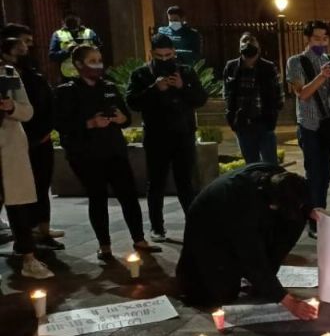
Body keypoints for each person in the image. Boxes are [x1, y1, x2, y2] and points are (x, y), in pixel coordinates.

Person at [54, 45, 160, 261]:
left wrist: (121, 119)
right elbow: (61, 123)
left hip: (114, 151)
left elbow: (126, 117)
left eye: (99, 60)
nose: (98, 65)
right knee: (98, 198)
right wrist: (90, 123)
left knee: (128, 196)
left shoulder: (108, 87)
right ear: (79, 65)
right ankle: (105, 245)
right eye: (92, 61)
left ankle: (139, 239)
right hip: (86, 155)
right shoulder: (67, 91)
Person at [176, 163, 319, 321]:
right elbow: (253, 257)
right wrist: (289, 302)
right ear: (273, 205)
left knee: (296, 220)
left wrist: (308, 210)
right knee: (221, 295)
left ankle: (263, 282)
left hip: (245, 217)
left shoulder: (280, 179)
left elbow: (297, 198)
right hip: (209, 227)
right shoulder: (242, 206)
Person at [126, 33, 208, 242]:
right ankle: (157, 227)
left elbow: (200, 99)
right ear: (151, 53)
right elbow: (132, 102)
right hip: (157, 137)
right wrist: (154, 89)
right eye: (159, 56)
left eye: (168, 55)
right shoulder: (141, 75)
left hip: (183, 136)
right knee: (156, 184)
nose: (164, 59)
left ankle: (194, 225)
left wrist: (182, 86)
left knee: (186, 183)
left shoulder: (186, 72)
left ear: (174, 52)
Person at [2, 24, 62, 250]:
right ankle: (26, 239)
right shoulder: (7, 73)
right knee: (21, 193)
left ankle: (42, 229)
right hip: (20, 142)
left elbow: (32, 105)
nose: (28, 47)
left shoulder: (30, 70)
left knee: (41, 187)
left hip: (42, 138)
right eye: (23, 43)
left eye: (29, 43)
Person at [286, 20, 330, 236]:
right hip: (309, 124)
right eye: (316, 38)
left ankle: (320, 210)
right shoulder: (296, 62)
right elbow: (302, 94)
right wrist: (322, 76)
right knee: (314, 172)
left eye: (324, 38)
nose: (321, 43)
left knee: (326, 172)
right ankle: (312, 218)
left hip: (329, 125)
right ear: (307, 39)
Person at [0, 43, 54, 279]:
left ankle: (29, 259)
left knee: (19, 207)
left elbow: (27, 111)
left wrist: (11, 106)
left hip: (10, 148)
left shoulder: (8, 73)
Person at [223, 32, 283, 165]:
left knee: (270, 164)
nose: (249, 54)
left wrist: (273, 114)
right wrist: (232, 119)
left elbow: (278, 94)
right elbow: (227, 93)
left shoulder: (268, 67)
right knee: (251, 165)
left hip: (264, 121)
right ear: (240, 49)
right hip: (242, 123)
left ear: (258, 49)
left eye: (252, 48)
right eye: (245, 47)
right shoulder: (232, 67)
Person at [48, 12, 100, 79]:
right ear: (63, 21)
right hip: (69, 76)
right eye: (69, 18)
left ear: (79, 19)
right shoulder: (58, 34)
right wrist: (68, 51)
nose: (72, 20)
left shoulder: (89, 33)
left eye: (74, 17)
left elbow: (100, 49)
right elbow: (52, 55)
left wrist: (88, 50)